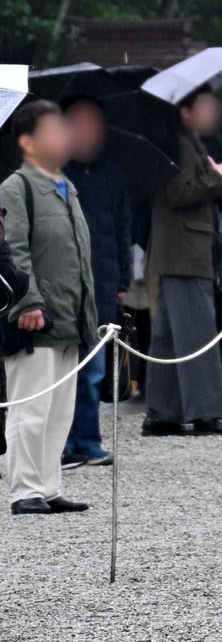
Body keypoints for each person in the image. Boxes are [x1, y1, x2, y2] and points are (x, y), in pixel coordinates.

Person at [1, 100, 96, 514]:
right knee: (30, 408)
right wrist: (28, 301)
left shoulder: (66, 187)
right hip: (34, 318)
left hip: (69, 317)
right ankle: (24, 489)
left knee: (59, 411)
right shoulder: (16, 187)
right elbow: (13, 251)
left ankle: (48, 485)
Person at [142, 86, 222, 438]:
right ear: (185, 110)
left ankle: (164, 413)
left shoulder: (187, 140)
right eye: (204, 105)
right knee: (197, 334)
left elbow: (194, 192)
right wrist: (219, 177)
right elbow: (179, 193)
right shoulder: (177, 142)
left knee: (170, 337)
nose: (211, 111)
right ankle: (206, 413)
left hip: (181, 249)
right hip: (184, 251)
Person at [60, 97, 131, 469]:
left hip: (101, 284)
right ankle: (62, 443)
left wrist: (123, 278)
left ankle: (88, 439)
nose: (86, 131)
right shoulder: (53, 174)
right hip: (64, 286)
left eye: (93, 123)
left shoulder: (113, 174)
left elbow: (122, 230)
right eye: (78, 122)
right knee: (62, 369)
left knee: (94, 371)